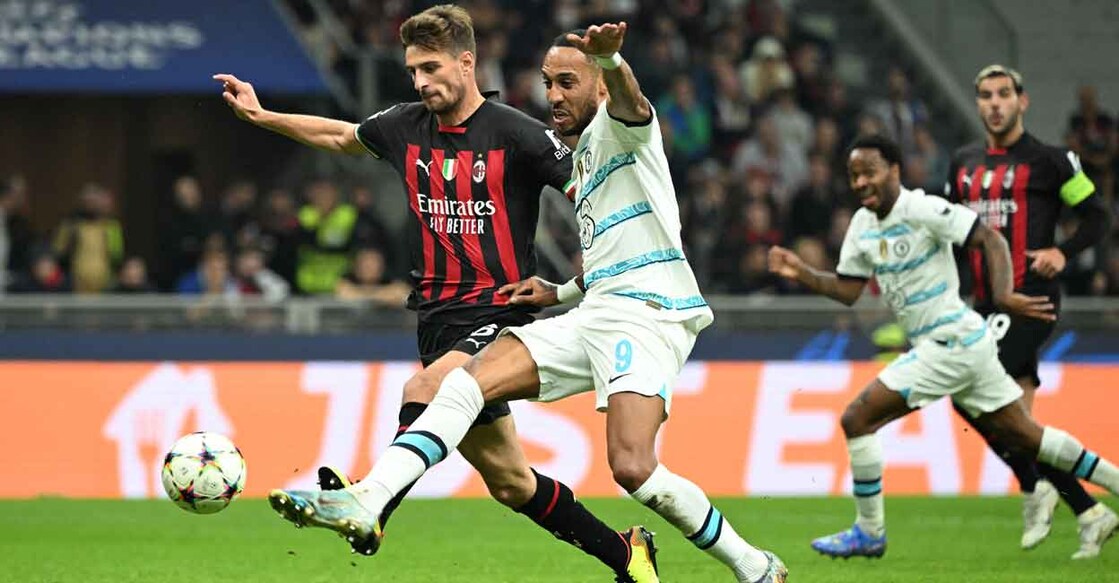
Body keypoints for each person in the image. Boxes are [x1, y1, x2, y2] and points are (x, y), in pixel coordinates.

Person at [266, 22, 788, 583]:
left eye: (568, 82)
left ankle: (754, 566)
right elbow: (612, 246)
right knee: (469, 395)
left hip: (648, 314)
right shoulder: (581, 151)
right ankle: (373, 501)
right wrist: (561, 291)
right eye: (548, 83)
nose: (555, 95)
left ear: (601, 88)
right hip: (592, 312)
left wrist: (612, 61)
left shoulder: (626, 129)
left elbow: (634, 104)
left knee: (633, 468)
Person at [215, 5, 656, 582]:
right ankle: (628, 555)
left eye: (430, 67)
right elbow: (342, 136)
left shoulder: (518, 133)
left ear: (466, 62)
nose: (421, 82)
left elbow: (595, 197)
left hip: (500, 314)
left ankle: (372, 503)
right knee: (510, 482)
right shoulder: (403, 125)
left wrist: (577, 285)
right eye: (413, 71)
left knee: (424, 387)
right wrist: (262, 116)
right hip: (437, 320)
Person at [766, 133, 1119, 559]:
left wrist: (1004, 294)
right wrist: (802, 272)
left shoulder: (923, 208)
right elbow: (848, 290)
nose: (860, 182)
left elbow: (989, 238)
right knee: (1030, 437)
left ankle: (870, 531)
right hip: (964, 345)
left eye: (869, 172)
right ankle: (1102, 501)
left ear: (894, 171)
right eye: (854, 175)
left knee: (857, 419)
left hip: (949, 342)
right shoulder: (862, 224)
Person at [944, 65, 1115, 559]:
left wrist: (1065, 251)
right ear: (977, 104)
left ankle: (1033, 485)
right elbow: (952, 231)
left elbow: (1099, 215)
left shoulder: (1051, 161)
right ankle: (1089, 511)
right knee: (1018, 424)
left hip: (1031, 297)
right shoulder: (962, 163)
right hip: (983, 305)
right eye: (985, 96)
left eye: (1003, 94)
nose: (994, 103)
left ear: (1023, 101)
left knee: (963, 392)